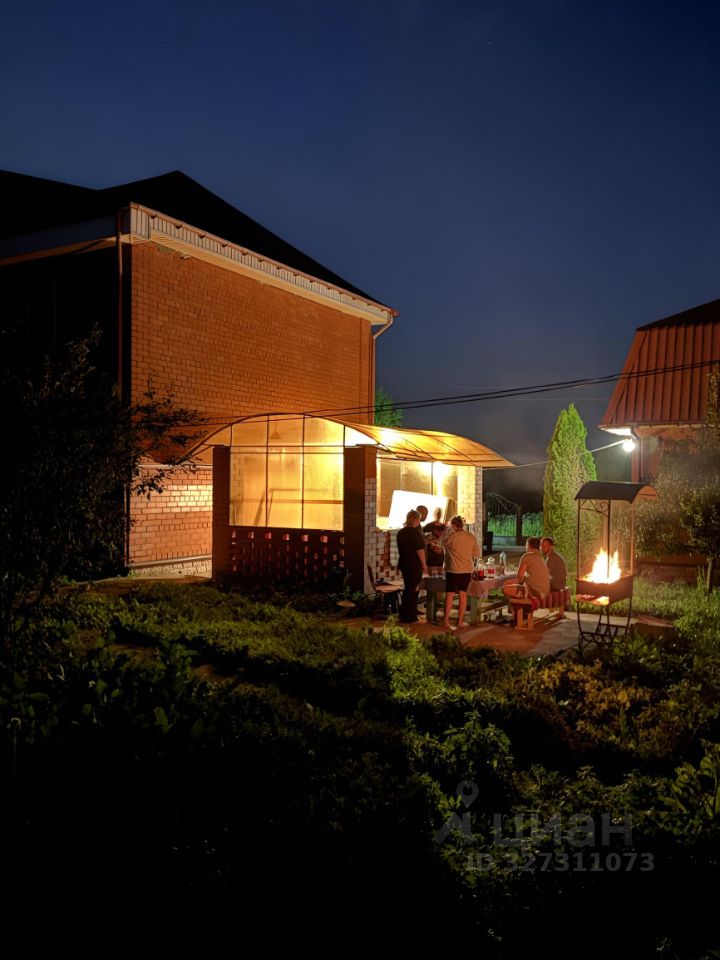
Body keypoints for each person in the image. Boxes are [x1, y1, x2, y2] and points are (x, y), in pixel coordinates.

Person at [441, 515, 481, 631]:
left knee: (449, 595)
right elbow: (477, 553)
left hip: (452, 570)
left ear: (453, 526)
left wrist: (446, 530)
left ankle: (446, 621)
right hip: (466, 570)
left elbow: (441, 543)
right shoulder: (470, 537)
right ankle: (460, 621)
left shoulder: (451, 538)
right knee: (463, 595)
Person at [396, 509, 429, 623]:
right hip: (414, 564)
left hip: (404, 563)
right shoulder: (415, 533)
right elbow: (419, 550)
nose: (419, 522)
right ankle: (409, 615)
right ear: (414, 519)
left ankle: (404, 613)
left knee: (408, 587)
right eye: (418, 520)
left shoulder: (401, 532)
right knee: (412, 589)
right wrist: (424, 565)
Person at [502, 537, 550, 610]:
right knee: (508, 583)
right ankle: (520, 610)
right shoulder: (541, 557)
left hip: (535, 592)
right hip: (545, 590)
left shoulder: (527, 556)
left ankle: (519, 611)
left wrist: (516, 581)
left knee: (505, 588)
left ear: (528, 545)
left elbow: (519, 577)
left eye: (526, 545)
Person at [424, 507, 447, 573]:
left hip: (441, 557)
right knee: (431, 575)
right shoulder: (428, 526)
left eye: (439, 513)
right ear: (434, 514)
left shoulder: (444, 526)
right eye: (437, 513)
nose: (438, 515)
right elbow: (423, 541)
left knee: (440, 575)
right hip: (431, 557)